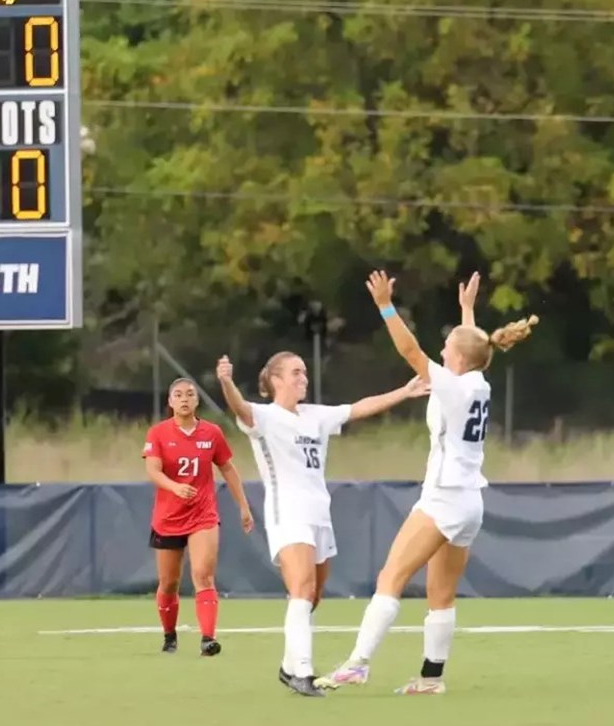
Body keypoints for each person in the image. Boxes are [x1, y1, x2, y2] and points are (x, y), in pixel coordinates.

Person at [319, 270, 537, 696]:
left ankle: (358, 663)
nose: (441, 351)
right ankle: (431, 678)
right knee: (441, 593)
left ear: (456, 358)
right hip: (471, 500)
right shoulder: (479, 382)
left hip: (445, 496)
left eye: (447, 347)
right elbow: (476, 347)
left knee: (391, 577)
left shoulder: (455, 386)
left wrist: (385, 305)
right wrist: (467, 311)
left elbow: (409, 348)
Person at [215, 351, 431, 697]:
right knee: (300, 589)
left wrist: (403, 392)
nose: (304, 378)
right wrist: (226, 381)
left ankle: (288, 667)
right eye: (296, 372)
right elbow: (240, 409)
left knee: (312, 595)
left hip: (319, 514)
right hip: (288, 513)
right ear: (275, 380)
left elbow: (360, 407)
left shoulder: (316, 415)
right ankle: (303, 672)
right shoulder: (265, 417)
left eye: (304, 372)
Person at [143, 377, 253, 657]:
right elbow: (154, 471)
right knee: (169, 582)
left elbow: (228, 468)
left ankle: (208, 638)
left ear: (196, 400)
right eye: (178, 394)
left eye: (189, 394)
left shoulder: (212, 433)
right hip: (168, 517)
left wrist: (243, 506)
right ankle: (170, 635)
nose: (184, 399)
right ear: (170, 402)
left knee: (203, 575)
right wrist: (175, 486)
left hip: (202, 515)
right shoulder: (158, 433)